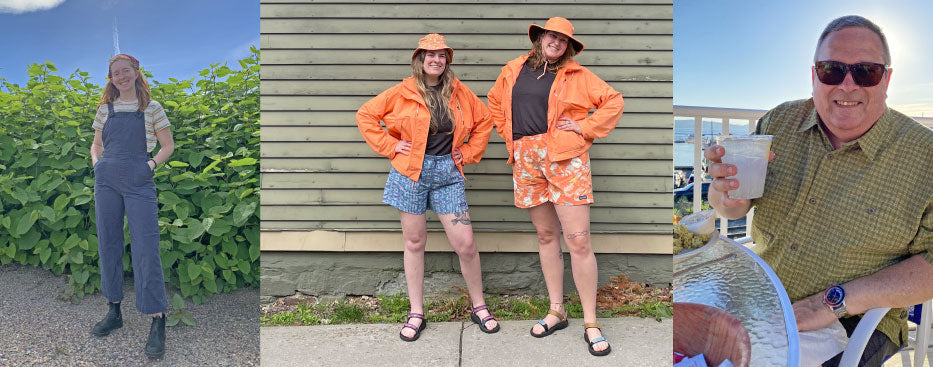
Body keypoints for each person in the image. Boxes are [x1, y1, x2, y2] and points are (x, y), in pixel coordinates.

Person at [705, 15, 933, 366]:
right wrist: (726, 195)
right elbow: (731, 209)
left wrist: (829, 302)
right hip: (760, 297)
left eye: (866, 72)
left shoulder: (925, 157)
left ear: (887, 79)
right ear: (814, 76)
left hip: (856, 316)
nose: (847, 85)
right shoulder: (778, 122)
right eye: (831, 69)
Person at [487, 17, 624, 356]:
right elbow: (494, 103)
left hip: (565, 159)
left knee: (578, 240)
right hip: (526, 158)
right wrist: (511, 138)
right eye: (552, 36)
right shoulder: (513, 69)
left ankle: (591, 322)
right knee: (546, 236)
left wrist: (583, 126)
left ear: (569, 47)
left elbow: (613, 101)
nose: (556, 43)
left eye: (563, 40)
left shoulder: (578, 75)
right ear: (540, 37)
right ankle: (557, 310)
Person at [356, 34, 498, 342]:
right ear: (419, 60)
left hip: (447, 172)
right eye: (429, 55)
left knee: (466, 244)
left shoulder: (459, 92)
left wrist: (469, 152)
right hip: (410, 173)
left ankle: (479, 306)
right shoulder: (401, 92)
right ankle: (416, 312)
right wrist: (391, 146)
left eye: (441, 56)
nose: (435, 60)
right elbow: (366, 115)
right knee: (415, 243)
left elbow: (485, 121)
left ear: (447, 61)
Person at [89, 54, 175, 360]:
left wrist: (149, 166)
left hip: (139, 179)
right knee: (109, 242)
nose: (121, 76)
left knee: (146, 246)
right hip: (107, 180)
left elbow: (168, 146)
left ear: (136, 73)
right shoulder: (104, 109)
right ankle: (114, 310)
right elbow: (96, 144)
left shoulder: (151, 108)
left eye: (126, 71)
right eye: (115, 73)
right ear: (110, 78)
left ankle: (157, 319)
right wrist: (98, 165)